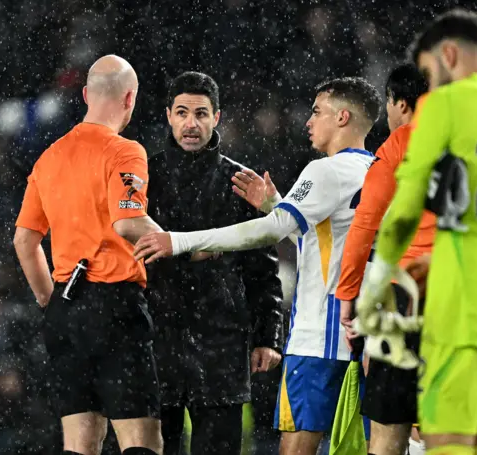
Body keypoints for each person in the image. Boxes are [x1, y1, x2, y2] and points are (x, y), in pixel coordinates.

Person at [135, 77, 382, 455]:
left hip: (315, 337)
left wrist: (179, 241)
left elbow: (271, 235)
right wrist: (277, 205)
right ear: (168, 116)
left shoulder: (323, 171)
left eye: (317, 112)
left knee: (297, 446)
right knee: (374, 444)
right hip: (369, 337)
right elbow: (320, 240)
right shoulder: (382, 172)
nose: (308, 121)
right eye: (182, 113)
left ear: (343, 117)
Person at [356, 9, 477, 455]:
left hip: (449, 295)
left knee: (428, 434)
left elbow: (400, 214)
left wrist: (376, 285)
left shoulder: (444, 108)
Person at [13, 55, 167, 455]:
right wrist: (185, 243)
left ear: (85, 95)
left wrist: (52, 299)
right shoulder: (125, 152)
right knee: (141, 440)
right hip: (114, 302)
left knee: (80, 442)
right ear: (130, 98)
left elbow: (24, 242)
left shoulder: (49, 157)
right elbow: (128, 222)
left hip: (67, 307)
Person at [144, 71, 284, 455]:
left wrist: (267, 336)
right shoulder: (143, 177)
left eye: (202, 114)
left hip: (221, 339)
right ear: (169, 115)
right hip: (157, 336)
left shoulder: (240, 182)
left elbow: (263, 267)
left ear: (217, 117)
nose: (192, 124)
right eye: (184, 112)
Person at [334, 63, 431, 455]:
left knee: (388, 432)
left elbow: (364, 225)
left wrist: (348, 295)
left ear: (400, 103)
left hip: (405, 297)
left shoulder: (400, 144)